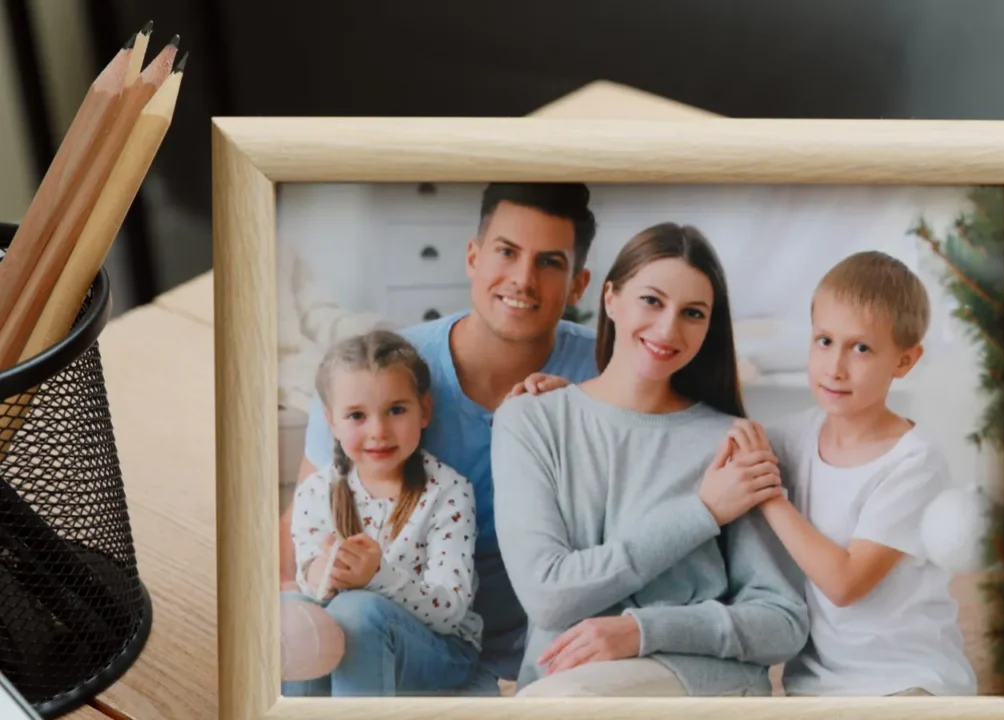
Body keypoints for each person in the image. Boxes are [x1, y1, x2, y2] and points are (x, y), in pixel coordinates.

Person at [285, 182, 602, 694]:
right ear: (473, 257)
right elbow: (303, 528)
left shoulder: (606, 370)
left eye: (549, 262)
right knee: (304, 624)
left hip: (510, 646)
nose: (523, 279)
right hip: (386, 632)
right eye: (506, 252)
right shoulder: (371, 380)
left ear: (579, 284)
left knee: (356, 616)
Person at [489, 222, 810, 697]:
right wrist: (701, 513)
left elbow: (781, 622)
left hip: (697, 682)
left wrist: (642, 631)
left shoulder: (729, 442)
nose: (668, 329)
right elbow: (548, 596)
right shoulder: (530, 421)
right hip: (562, 685)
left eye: (693, 313)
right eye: (652, 301)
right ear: (611, 297)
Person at [746, 250, 978, 697]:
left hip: (906, 678)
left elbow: (845, 582)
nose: (835, 367)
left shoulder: (915, 462)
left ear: (904, 362)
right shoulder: (794, 436)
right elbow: (718, 438)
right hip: (815, 681)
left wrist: (771, 498)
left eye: (862, 348)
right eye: (824, 341)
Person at [284, 330, 484, 696]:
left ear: (424, 410)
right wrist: (322, 575)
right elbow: (308, 577)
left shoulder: (448, 492)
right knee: (292, 614)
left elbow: (450, 609)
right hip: (344, 631)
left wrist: (377, 575)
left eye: (396, 410)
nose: (378, 431)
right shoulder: (318, 491)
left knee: (358, 613)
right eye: (357, 415)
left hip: (442, 652)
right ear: (332, 422)